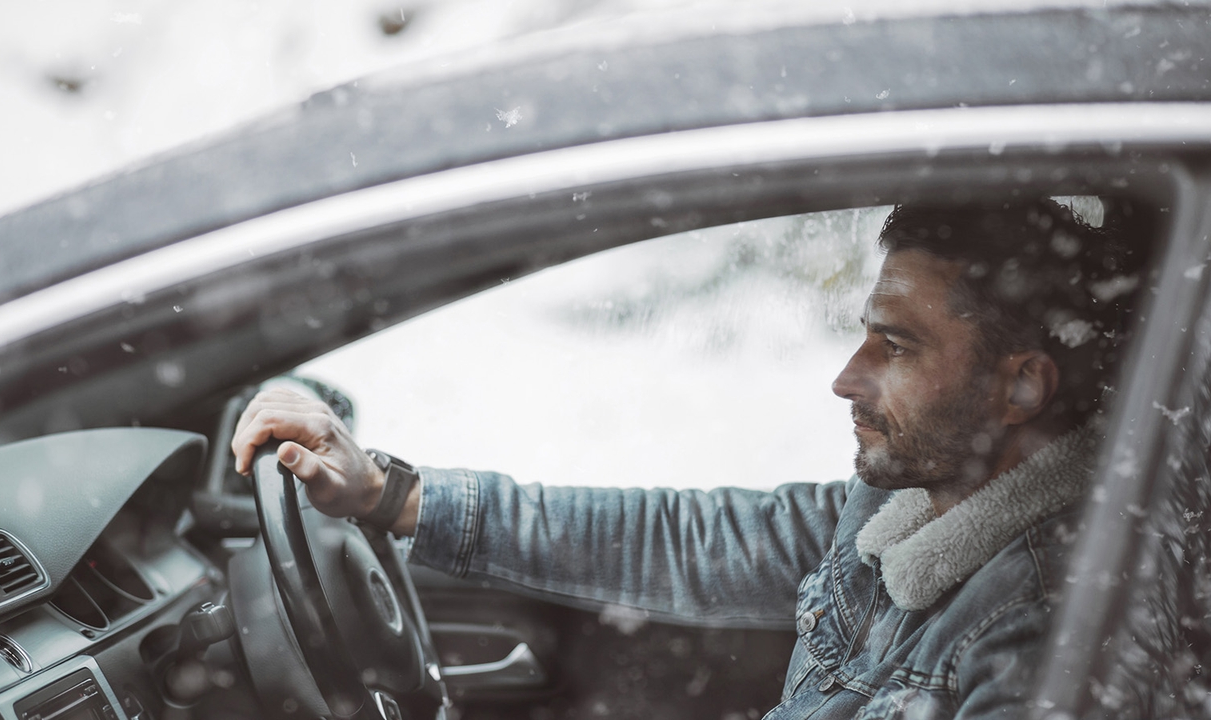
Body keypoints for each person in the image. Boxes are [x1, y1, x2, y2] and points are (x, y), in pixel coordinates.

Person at [230, 199, 1143, 718]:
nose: (845, 378)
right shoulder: (904, 511)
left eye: (894, 348)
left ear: (1021, 388)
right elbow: (676, 538)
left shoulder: (1041, 641)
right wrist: (392, 493)